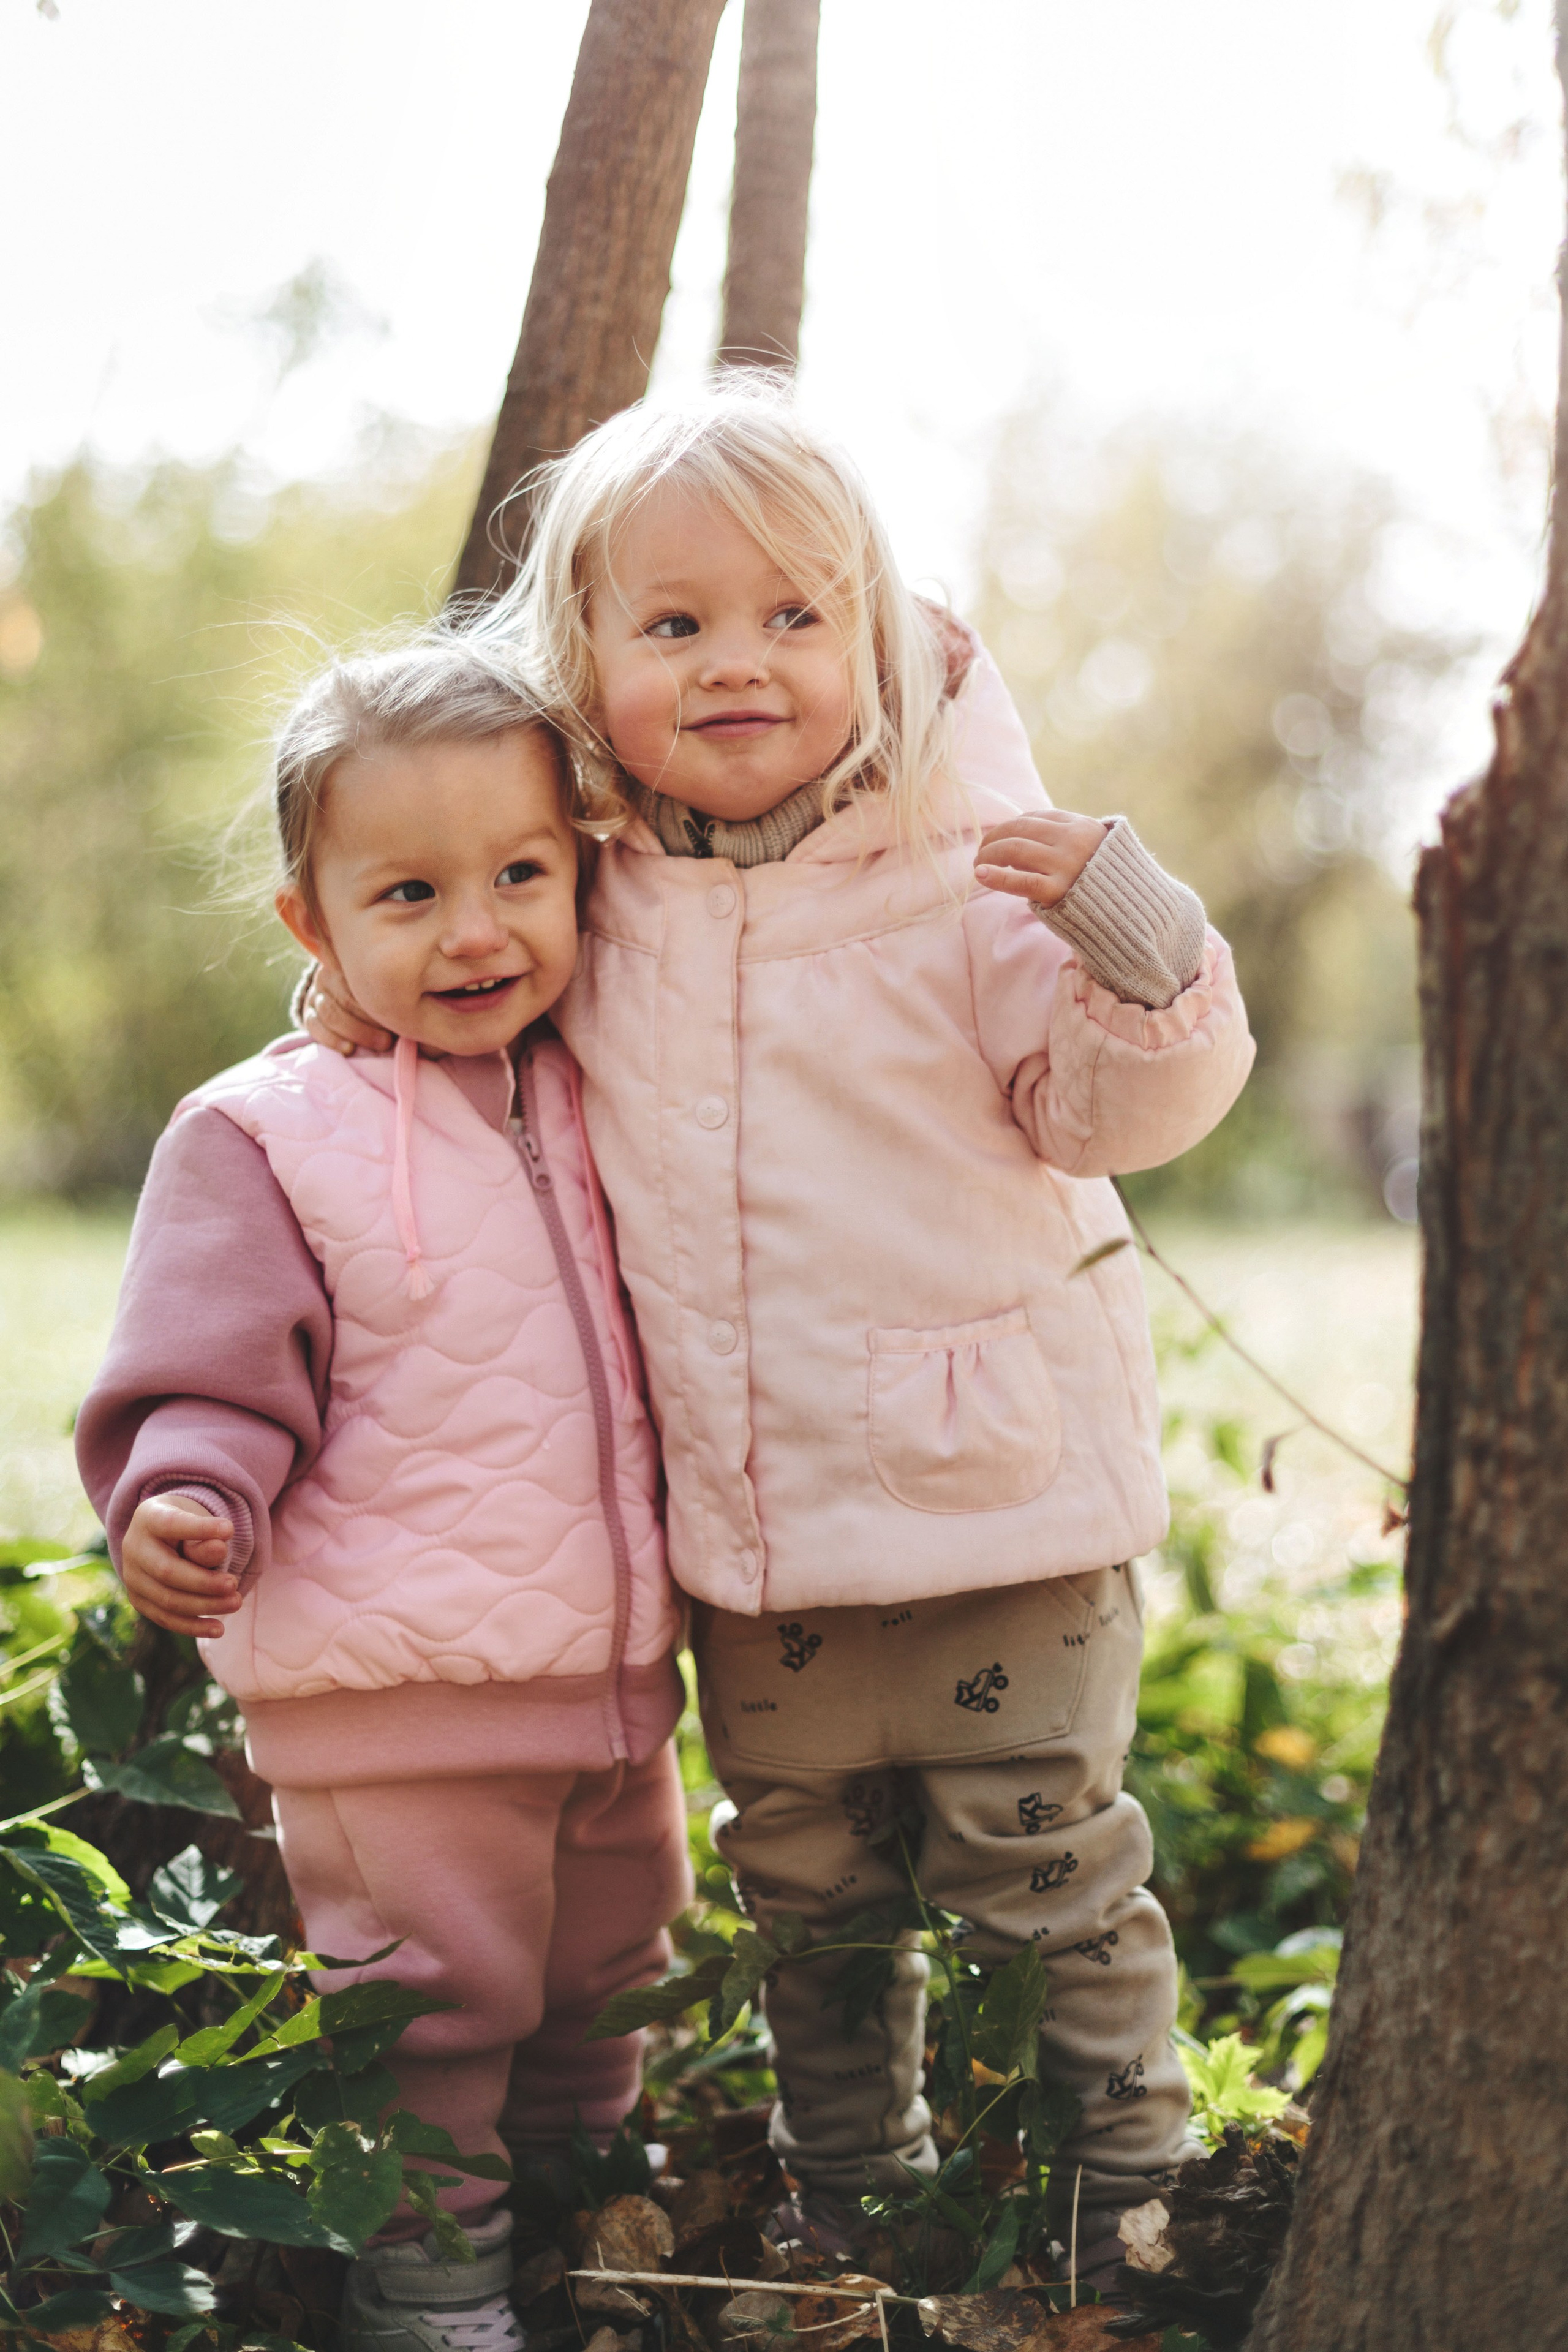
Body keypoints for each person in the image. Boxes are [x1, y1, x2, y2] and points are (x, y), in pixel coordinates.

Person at [305, 383, 1256, 2286]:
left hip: (998, 1510)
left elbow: (1117, 1112)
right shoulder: (599, 901)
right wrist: (369, 1009)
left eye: (795, 615)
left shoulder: (969, 870)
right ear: (586, 664)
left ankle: (1130, 2195)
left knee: (1049, 1867)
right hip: (755, 1535)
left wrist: (1140, 940)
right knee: (809, 1892)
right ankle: (857, 2193)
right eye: (675, 623)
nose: (737, 660)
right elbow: (490, 1038)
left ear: (882, 640)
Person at [76, 639, 692, 2352]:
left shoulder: (601, 1082)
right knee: (432, 2009)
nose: (476, 931)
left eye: (521, 875)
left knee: (606, 1976)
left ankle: (579, 2212)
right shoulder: (265, 1135)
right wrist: (187, 1491)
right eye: (409, 893)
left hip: (608, 1684)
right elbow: (210, 1366)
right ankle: (429, 2284)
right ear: (313, 922)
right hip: (392, 1700)